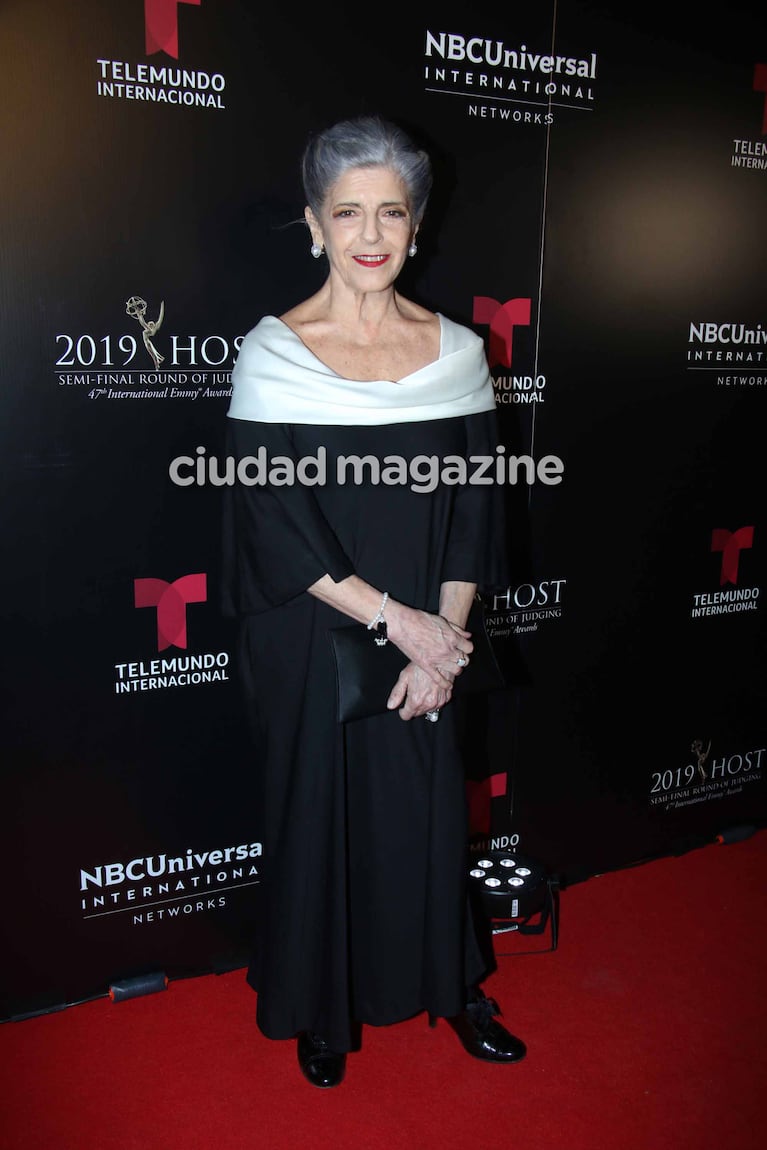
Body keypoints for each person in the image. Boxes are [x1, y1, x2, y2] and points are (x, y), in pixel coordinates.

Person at [222, 114, 526, 1087]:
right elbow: (273, 523)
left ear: (415, 224)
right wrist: (398, 623)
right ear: (313, 224)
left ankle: (453, 985)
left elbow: (475, 507)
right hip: (311, 629)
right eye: (345, 211)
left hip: (431, 632)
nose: (368, 232)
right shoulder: (273, 353)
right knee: (316, 810)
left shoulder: (458, 353)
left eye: (388, 211)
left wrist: (446, 639)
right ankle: (321, 1003)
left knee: (428, 809)